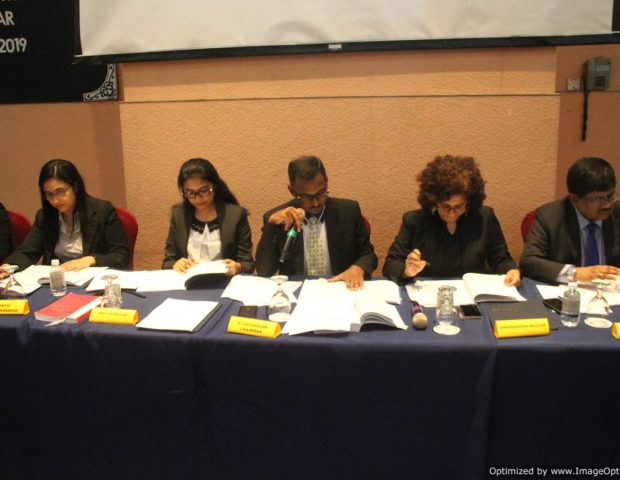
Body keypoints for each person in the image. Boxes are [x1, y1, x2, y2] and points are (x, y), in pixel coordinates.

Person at [383, 155, 520, 285]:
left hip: (472, 295)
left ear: (469, 202)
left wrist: (511, 270)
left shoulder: (484, 218)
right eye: (445, 206)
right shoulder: (415, 220)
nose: (452, 214)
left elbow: (501, 259)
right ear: (434, 201)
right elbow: (391, 264)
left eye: (458, 207)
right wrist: (406, 271)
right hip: (427, 294)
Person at [255, 155, 378, 290]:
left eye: (321, 193)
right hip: (298, 291)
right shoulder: (280, 219)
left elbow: (368, 255)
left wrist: (358, 268)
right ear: (292, 191)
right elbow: (264, 271)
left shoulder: (349, 211)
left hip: (339, 287)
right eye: (306, 196)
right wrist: (272, 227)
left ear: (326, 182)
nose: (315, 203)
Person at [1, 159, 130, 276]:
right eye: (49, 194)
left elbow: (121, 256)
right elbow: (28, 251)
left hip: (92, 281)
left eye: (60, 192)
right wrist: (9, 266)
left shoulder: (102, 211)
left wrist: (90, 260)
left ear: (75, 187)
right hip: (57, 282)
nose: (55, 200)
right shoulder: (45, 216)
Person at [520, 157, 620, 284]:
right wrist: (575, 273)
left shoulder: (617, 212)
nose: (607, 205)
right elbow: (529, 262)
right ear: (574, 200)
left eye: (610, 196)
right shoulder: (550, 217)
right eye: (598, 199)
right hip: (568, 292)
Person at [162, 157, 254, 275]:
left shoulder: (236, 215)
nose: (198, 198)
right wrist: (175, 264)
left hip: (223, 280)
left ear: (214, 185)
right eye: (190, 193)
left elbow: (248, 263)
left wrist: (238, 267)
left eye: (204, 191)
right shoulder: (179, 215)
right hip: (187, 279)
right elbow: (168, 262)